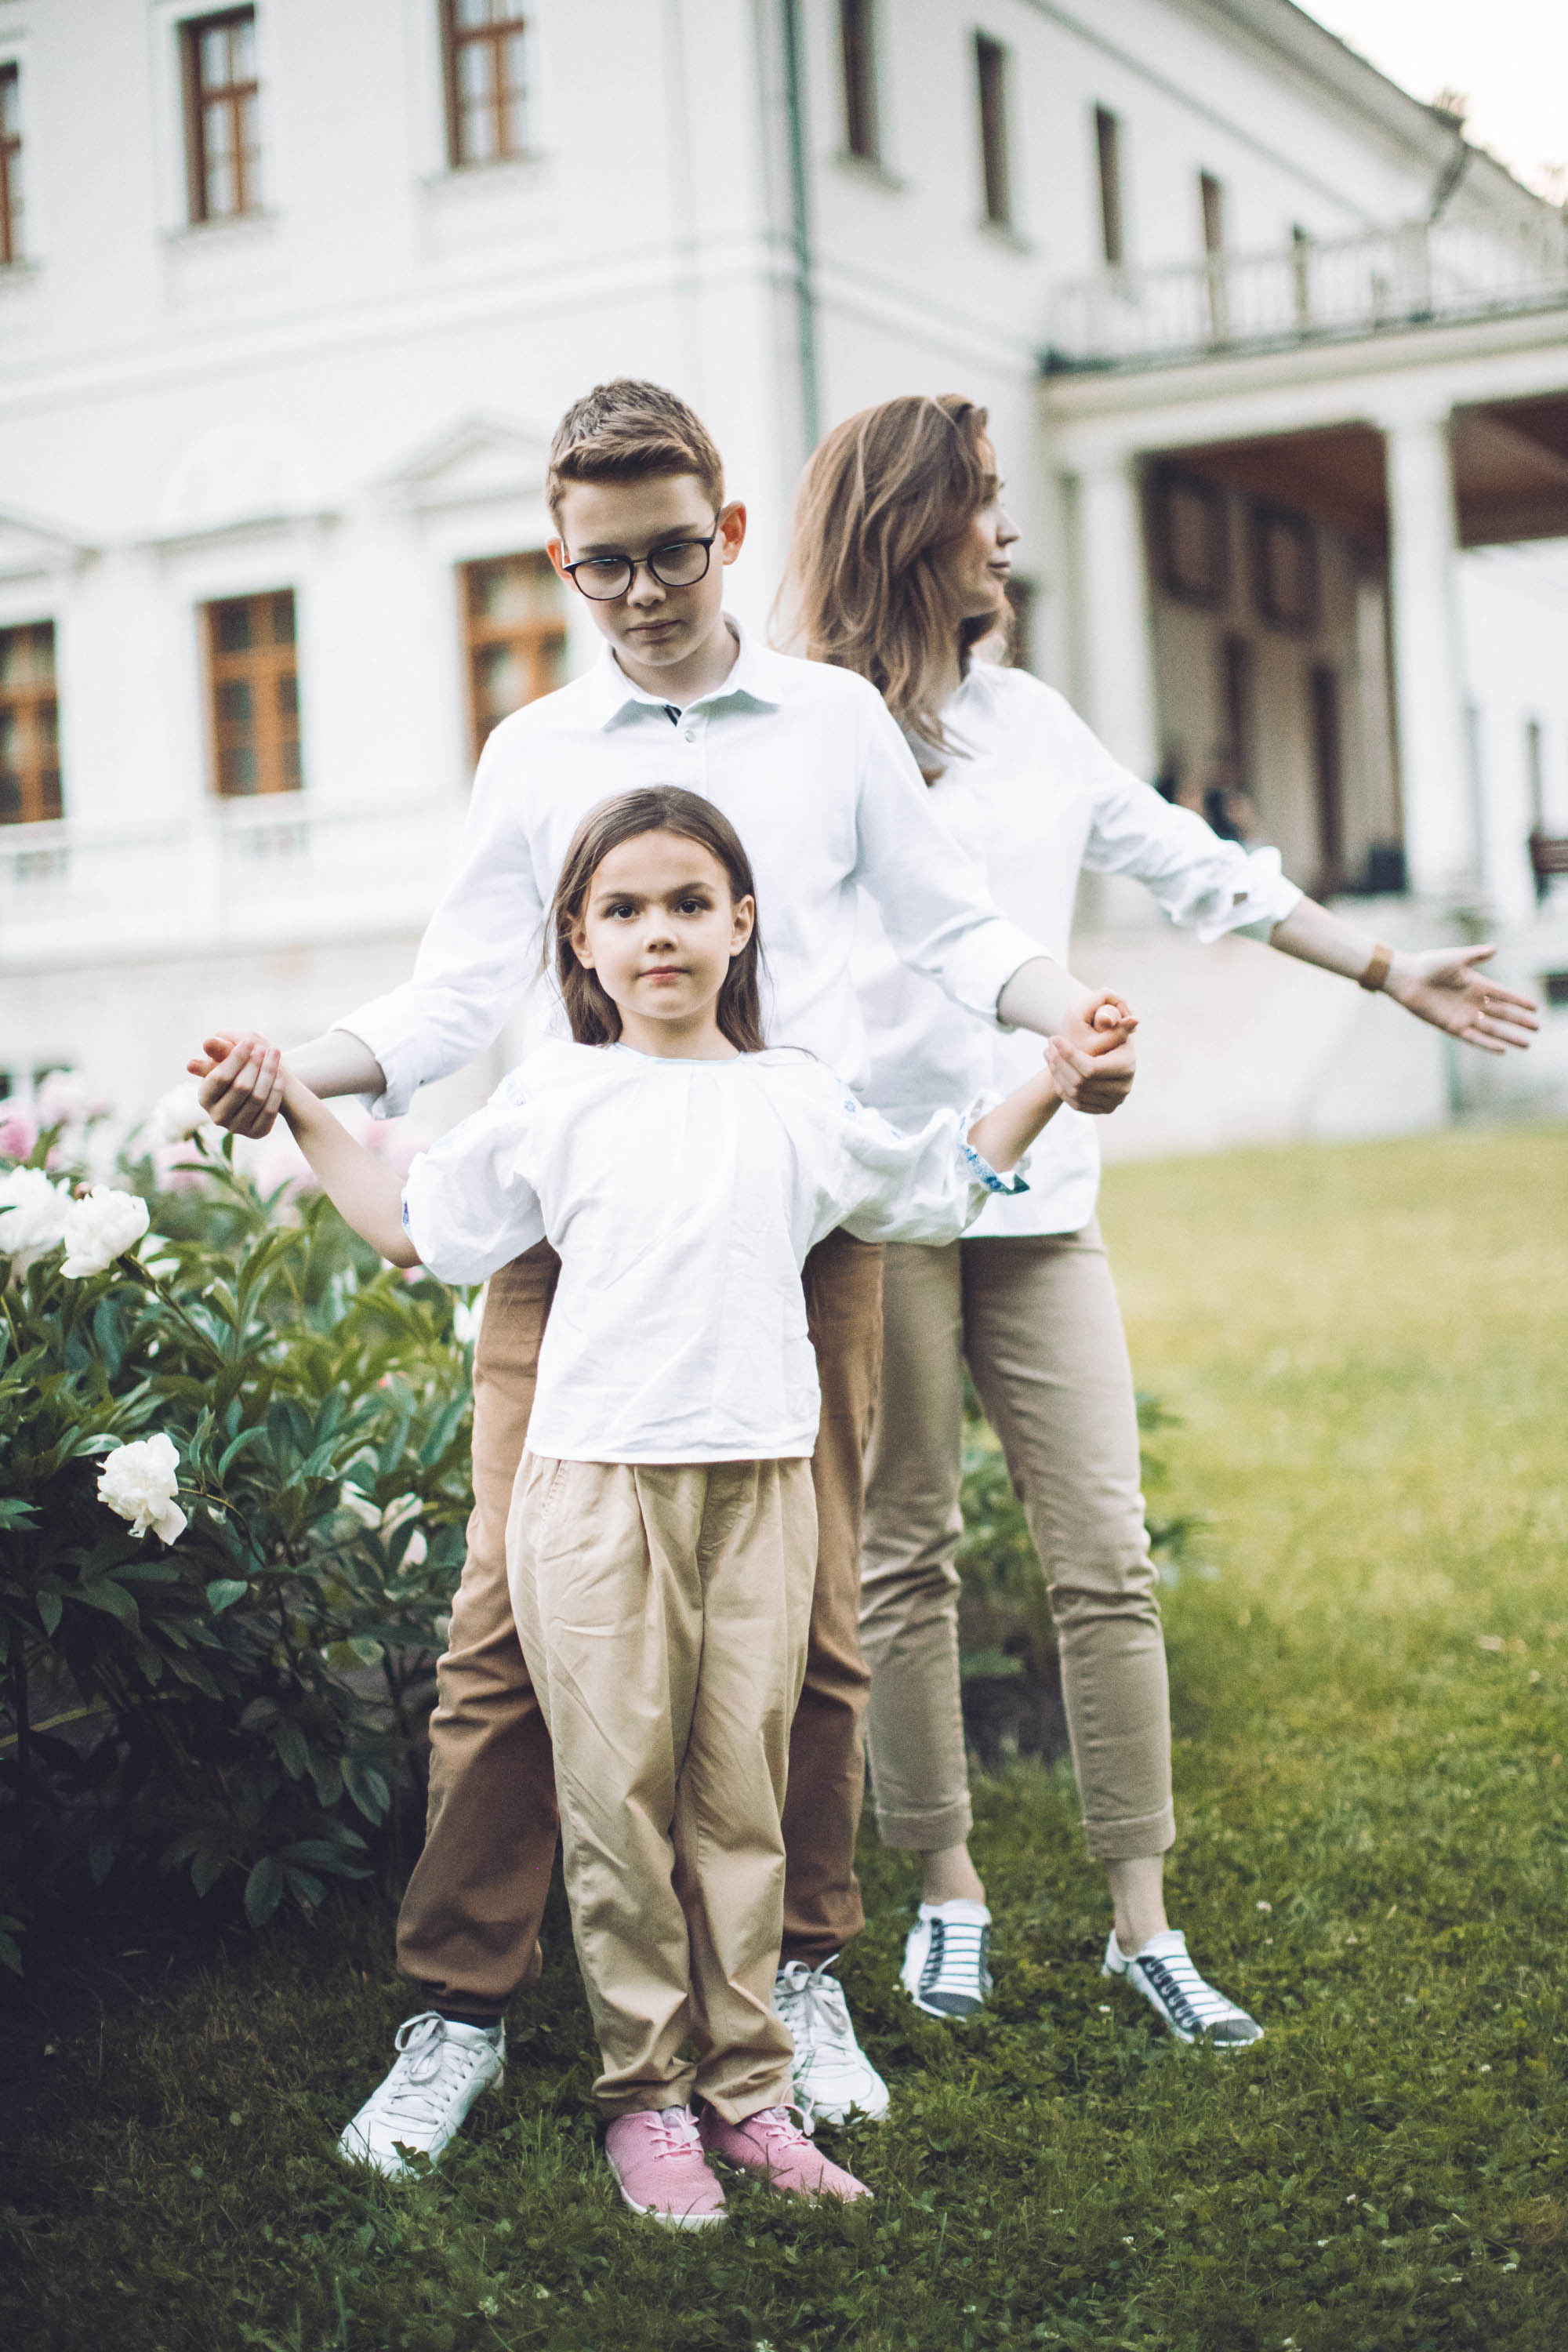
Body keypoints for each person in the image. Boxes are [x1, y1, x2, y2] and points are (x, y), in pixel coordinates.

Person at [187, 379, 1135, 2167]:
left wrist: (1059, 1015)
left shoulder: (837, 720)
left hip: (801, 1219)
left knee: (816, 1634)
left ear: (733, 536)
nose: (641, 590)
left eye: (673, 552)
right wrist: (296, 1078)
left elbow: (955, 929)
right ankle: (457, 2008)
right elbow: (458, 990)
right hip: (576, 1227)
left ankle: (799, 1976)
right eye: (601, 565)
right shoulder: (535, 751)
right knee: (500, 1639)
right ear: (561, 557)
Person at [780, 392, 1539, 2039]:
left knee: (1104, 1557)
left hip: (1043, 1196)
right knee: (903, 1555)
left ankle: (1143, 1924)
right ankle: (947, 1895)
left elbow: (1199, 867)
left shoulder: (1036, 722)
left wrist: (1387, 966)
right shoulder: (808, 732)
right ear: (914, 525)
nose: (1008, 531)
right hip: (883, 1193)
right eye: (984, 502)